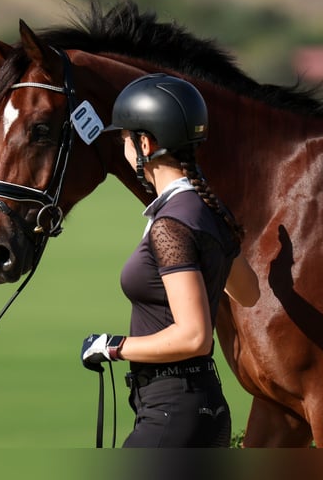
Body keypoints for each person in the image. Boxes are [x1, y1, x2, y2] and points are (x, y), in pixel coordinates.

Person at [80, 73, 259, 448]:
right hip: (203, 408)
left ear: (145, 143)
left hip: (171, 414)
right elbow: (249, 292)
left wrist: (112, 346)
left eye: (125, 138)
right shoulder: (205, 208)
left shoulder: (171, 224)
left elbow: (194, 336)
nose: (124, 146)